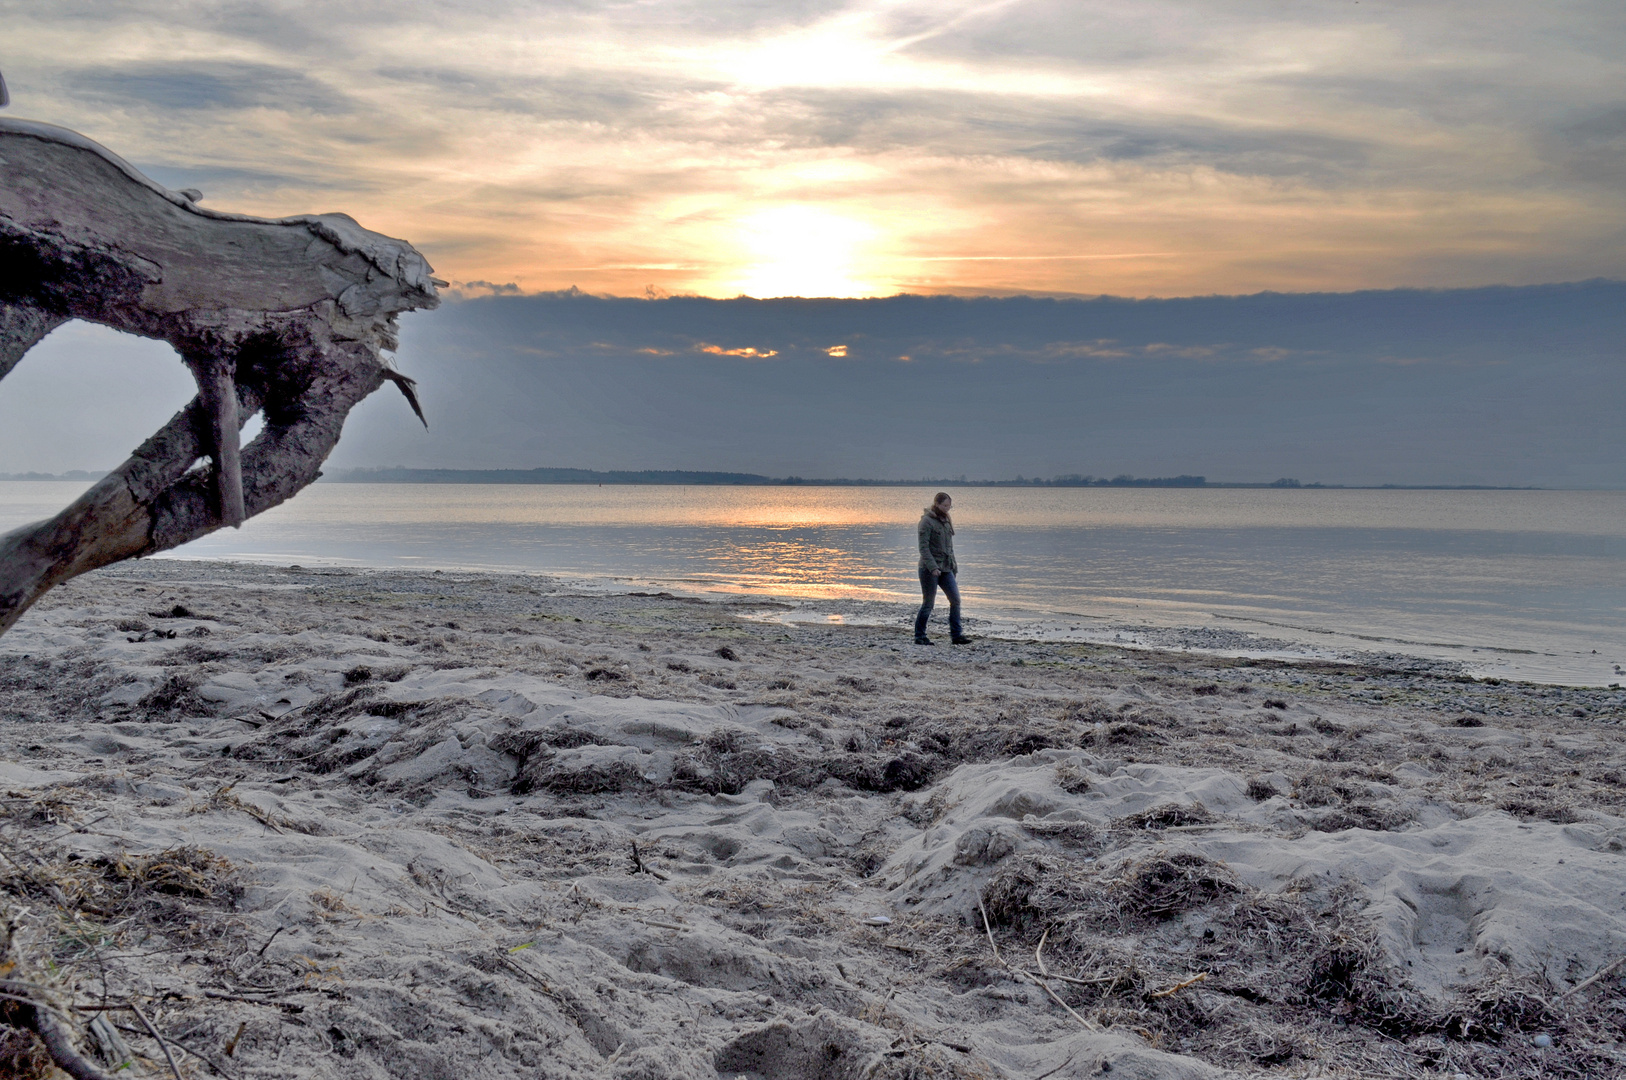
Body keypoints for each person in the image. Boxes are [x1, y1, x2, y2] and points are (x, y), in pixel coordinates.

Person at [915, 492, 970, 645]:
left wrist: (954, 567)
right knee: (928, 604)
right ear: (937, 504)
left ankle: (956, 635)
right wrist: (932, 567)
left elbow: (949, 548)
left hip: (946, 568)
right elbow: (923, 548)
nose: (947, 509)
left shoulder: (946, 520)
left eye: (949, 506)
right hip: (928, 569)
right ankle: (919, 636)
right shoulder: (926, 522)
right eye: (945, 506)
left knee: (955, 600)